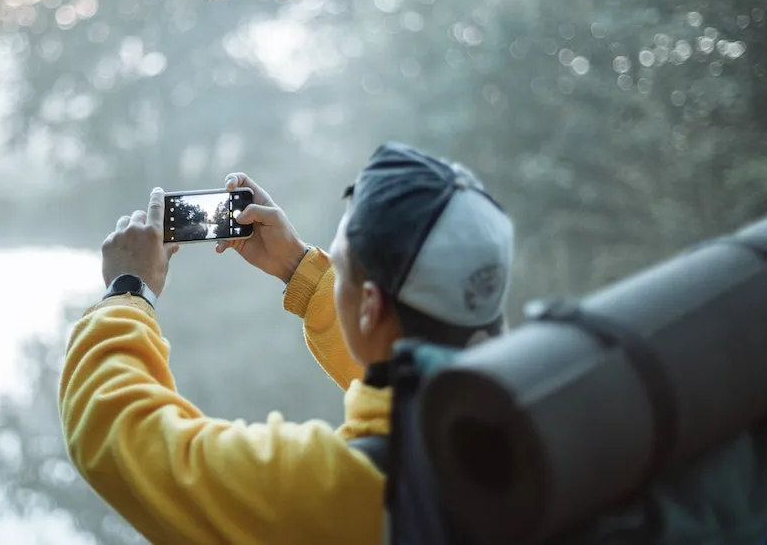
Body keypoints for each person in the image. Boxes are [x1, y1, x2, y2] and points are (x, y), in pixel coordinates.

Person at [58, 142, 515, 544]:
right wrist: (299, 267)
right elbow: (397, 366)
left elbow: (120, 437)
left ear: (370, 306)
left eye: (340, 268)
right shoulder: (530, 407)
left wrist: (128, 289)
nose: (335, 278)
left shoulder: (334, 489)